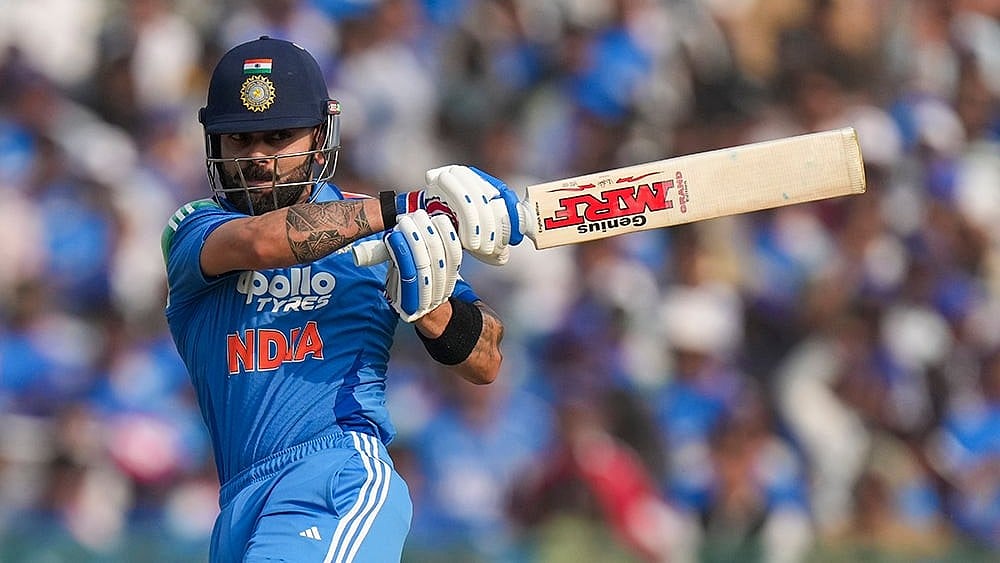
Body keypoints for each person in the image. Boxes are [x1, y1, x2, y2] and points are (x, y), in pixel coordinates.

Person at [160, 36, 517, 562]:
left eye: (279, 137)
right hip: (241, 501)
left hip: (338, 475)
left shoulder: (385, 231)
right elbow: (263, 241)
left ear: (320, 134)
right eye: (240, 139)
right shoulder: (194, 230)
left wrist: (431, 310)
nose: (258, 158)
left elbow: (485, 361)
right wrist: (406, 206)